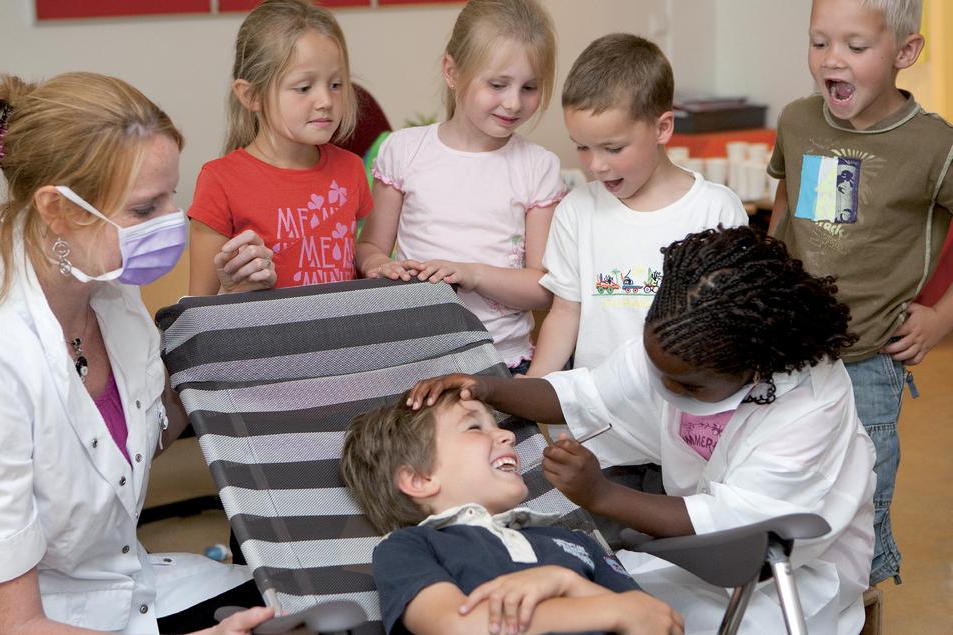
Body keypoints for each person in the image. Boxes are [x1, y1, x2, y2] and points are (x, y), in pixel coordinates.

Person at [0, 72, 276, 634]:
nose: (172, 220)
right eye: (144, 209)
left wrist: (222, 313)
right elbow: (12, 627)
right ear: (56, 210)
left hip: (118, 587)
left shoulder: (110, 298)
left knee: (311, 603)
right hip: (40, 622)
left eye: (172, 196)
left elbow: (136, 444)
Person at [408, 227, 877, 634]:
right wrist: (488, 388)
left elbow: (742, 525)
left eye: (687, 384)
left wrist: (602, 497)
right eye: (658, 370)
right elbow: (586, 394)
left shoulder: (809, 406)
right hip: (693, 554)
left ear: (754, 368)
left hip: (792, 570)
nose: (665, 386)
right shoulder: (677, 339)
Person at [767, 0, 953, 585]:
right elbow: (785, 205)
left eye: (855, 46)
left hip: (870, 359)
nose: (831, 60)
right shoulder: (797, 121)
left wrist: (941, 318)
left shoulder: (933, 145)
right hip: (788, 347)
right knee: (783, 478)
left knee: (861, 500)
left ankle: (863, 604)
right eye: (819, 42)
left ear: (904, 53)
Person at [339, 390, 684, 635]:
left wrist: (564, 581)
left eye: (497, 424)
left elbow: (659, 620)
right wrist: (610, 610)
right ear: (419, 479)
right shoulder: (408, 547)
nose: (506, 434)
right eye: (474, 427)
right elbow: (456, 626)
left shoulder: (573, 540)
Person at [355, 0, 563, 374]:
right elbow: (369, 247)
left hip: (501, 360)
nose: (514, 102)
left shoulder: (538, 167)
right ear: (452, 71)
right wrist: (380, 267)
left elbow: (543, 289)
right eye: (498, 84)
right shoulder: (404, 150)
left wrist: (473, 274)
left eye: (530, 87)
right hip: (415, 356)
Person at [526, 34, 747, 378]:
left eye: (612, 148)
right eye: (582, 147)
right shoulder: (577, 211)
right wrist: (535, 386)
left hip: (682, 413)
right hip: (599, 419)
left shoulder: (715, 211)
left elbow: (727, 322)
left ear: (662, 128)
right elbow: (565, 313)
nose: (595, 165)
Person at [188, 0, 373, 295]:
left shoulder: (351, 169)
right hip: (260, 340)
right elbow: (196, 312)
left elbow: (359, 254)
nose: (326, 100)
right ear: (251, 96)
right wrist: (239, 291)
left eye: (336, 84)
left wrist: (374, 259)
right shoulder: (219, 181)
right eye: (304, 87)